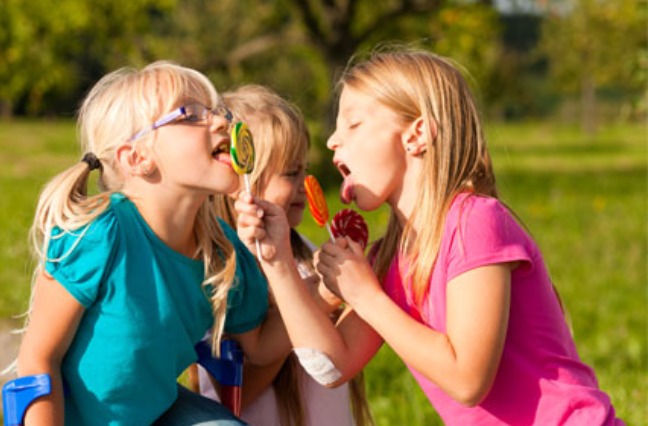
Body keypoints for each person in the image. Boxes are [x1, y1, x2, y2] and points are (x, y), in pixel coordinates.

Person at [234, 47, 623, 425]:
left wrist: (365, 296)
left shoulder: (473, 221)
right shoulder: (391, 258)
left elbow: (467, 380)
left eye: (353, 123)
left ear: (417, 135)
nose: (333, 141)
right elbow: (330, 366)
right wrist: (278, 260)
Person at [14, 62, 290, 425]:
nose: (223, 122)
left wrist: (317, 290)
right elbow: (37, 359)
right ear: (137, 158)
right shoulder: (101, 233)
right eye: (191, 114)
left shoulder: (222, 253)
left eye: (219, 112)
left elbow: (259, 347)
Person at [193, 84, 373, 426]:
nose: (307, 184)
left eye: (304, 169)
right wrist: (313, 302)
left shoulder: (305, 250)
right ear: (239, 178)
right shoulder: (223, 269)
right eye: (291, 173)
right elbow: (237, 395)